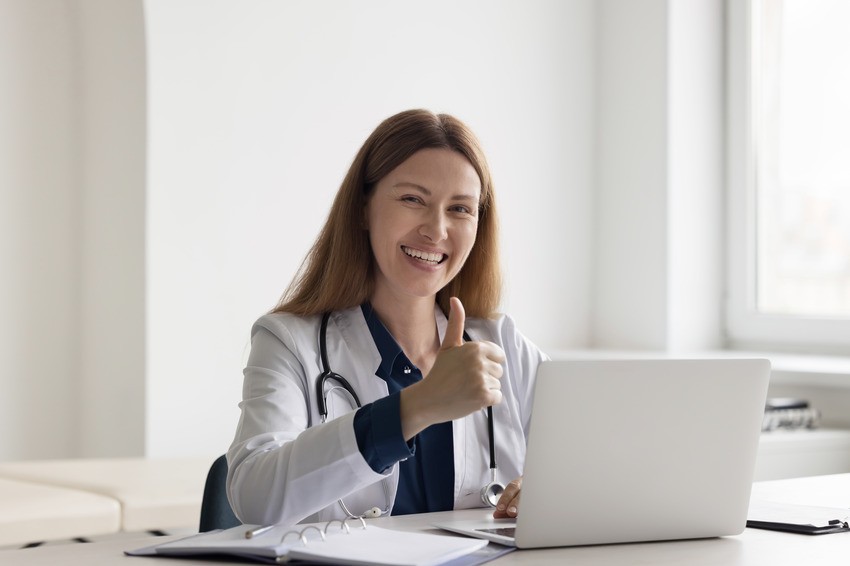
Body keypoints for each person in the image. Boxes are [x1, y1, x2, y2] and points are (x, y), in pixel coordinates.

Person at [226, 109, 548, 527]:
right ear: (363, 207)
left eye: (460, 209)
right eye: (413, 199)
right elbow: (255, 498)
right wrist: (417, 406)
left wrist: (542, 489)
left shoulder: (503, 343)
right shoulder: (289, 342)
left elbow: (594, 462)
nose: (436, 230)